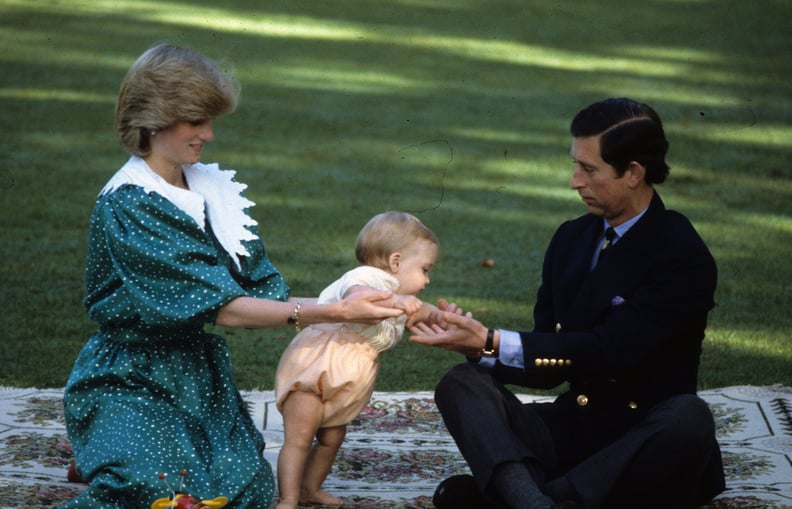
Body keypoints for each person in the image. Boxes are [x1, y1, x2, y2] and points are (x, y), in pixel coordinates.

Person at [59, 43, 406, 509]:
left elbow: (267, 294)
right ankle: (109, 446)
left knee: (248, 493)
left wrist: (359, 296)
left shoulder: (208, 187)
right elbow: (223, 308)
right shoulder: (131, 202)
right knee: (164, 495)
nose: (209, 135)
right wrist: (335, 310)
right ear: (154, 118)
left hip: (198, 375)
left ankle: (109, 454)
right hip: (130, 373)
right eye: (196, 121)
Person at [410, 98, 726, 509]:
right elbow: (547, 367)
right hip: (574, 429)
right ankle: (534, 500)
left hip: (643, 443)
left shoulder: (680, 253)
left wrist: (494, 339)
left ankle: (523, 496)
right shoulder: (571, 240)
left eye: (589, 170)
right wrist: (477, 346)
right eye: (575, 165)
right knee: (462, 383)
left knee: (689, 417)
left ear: (633, 173)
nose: (574, 181)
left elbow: (609, 350)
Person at [273, 211, 440, 509]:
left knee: (332, 436)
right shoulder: (368, 277)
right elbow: (357, 294)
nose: (427, 280)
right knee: (300, 435)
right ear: (396, 262)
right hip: (317, 366)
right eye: (425, 270)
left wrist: (443, 316)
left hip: (350, 378)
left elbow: (424, 311)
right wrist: (396, 302)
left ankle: (310, 488)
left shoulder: (399, 296)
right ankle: (288, 497)